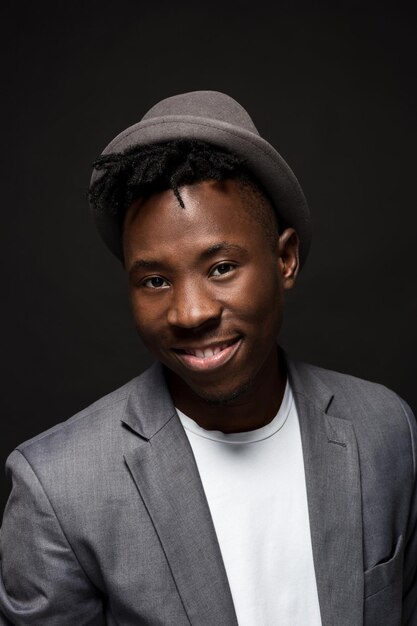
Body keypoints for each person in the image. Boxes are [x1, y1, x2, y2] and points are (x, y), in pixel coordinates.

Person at [0, 91, 416, 626]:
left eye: (221, 267)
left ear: (285, 259)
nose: (190, 313)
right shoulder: (58, 489)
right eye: (154, 280)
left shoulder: (386, 429)